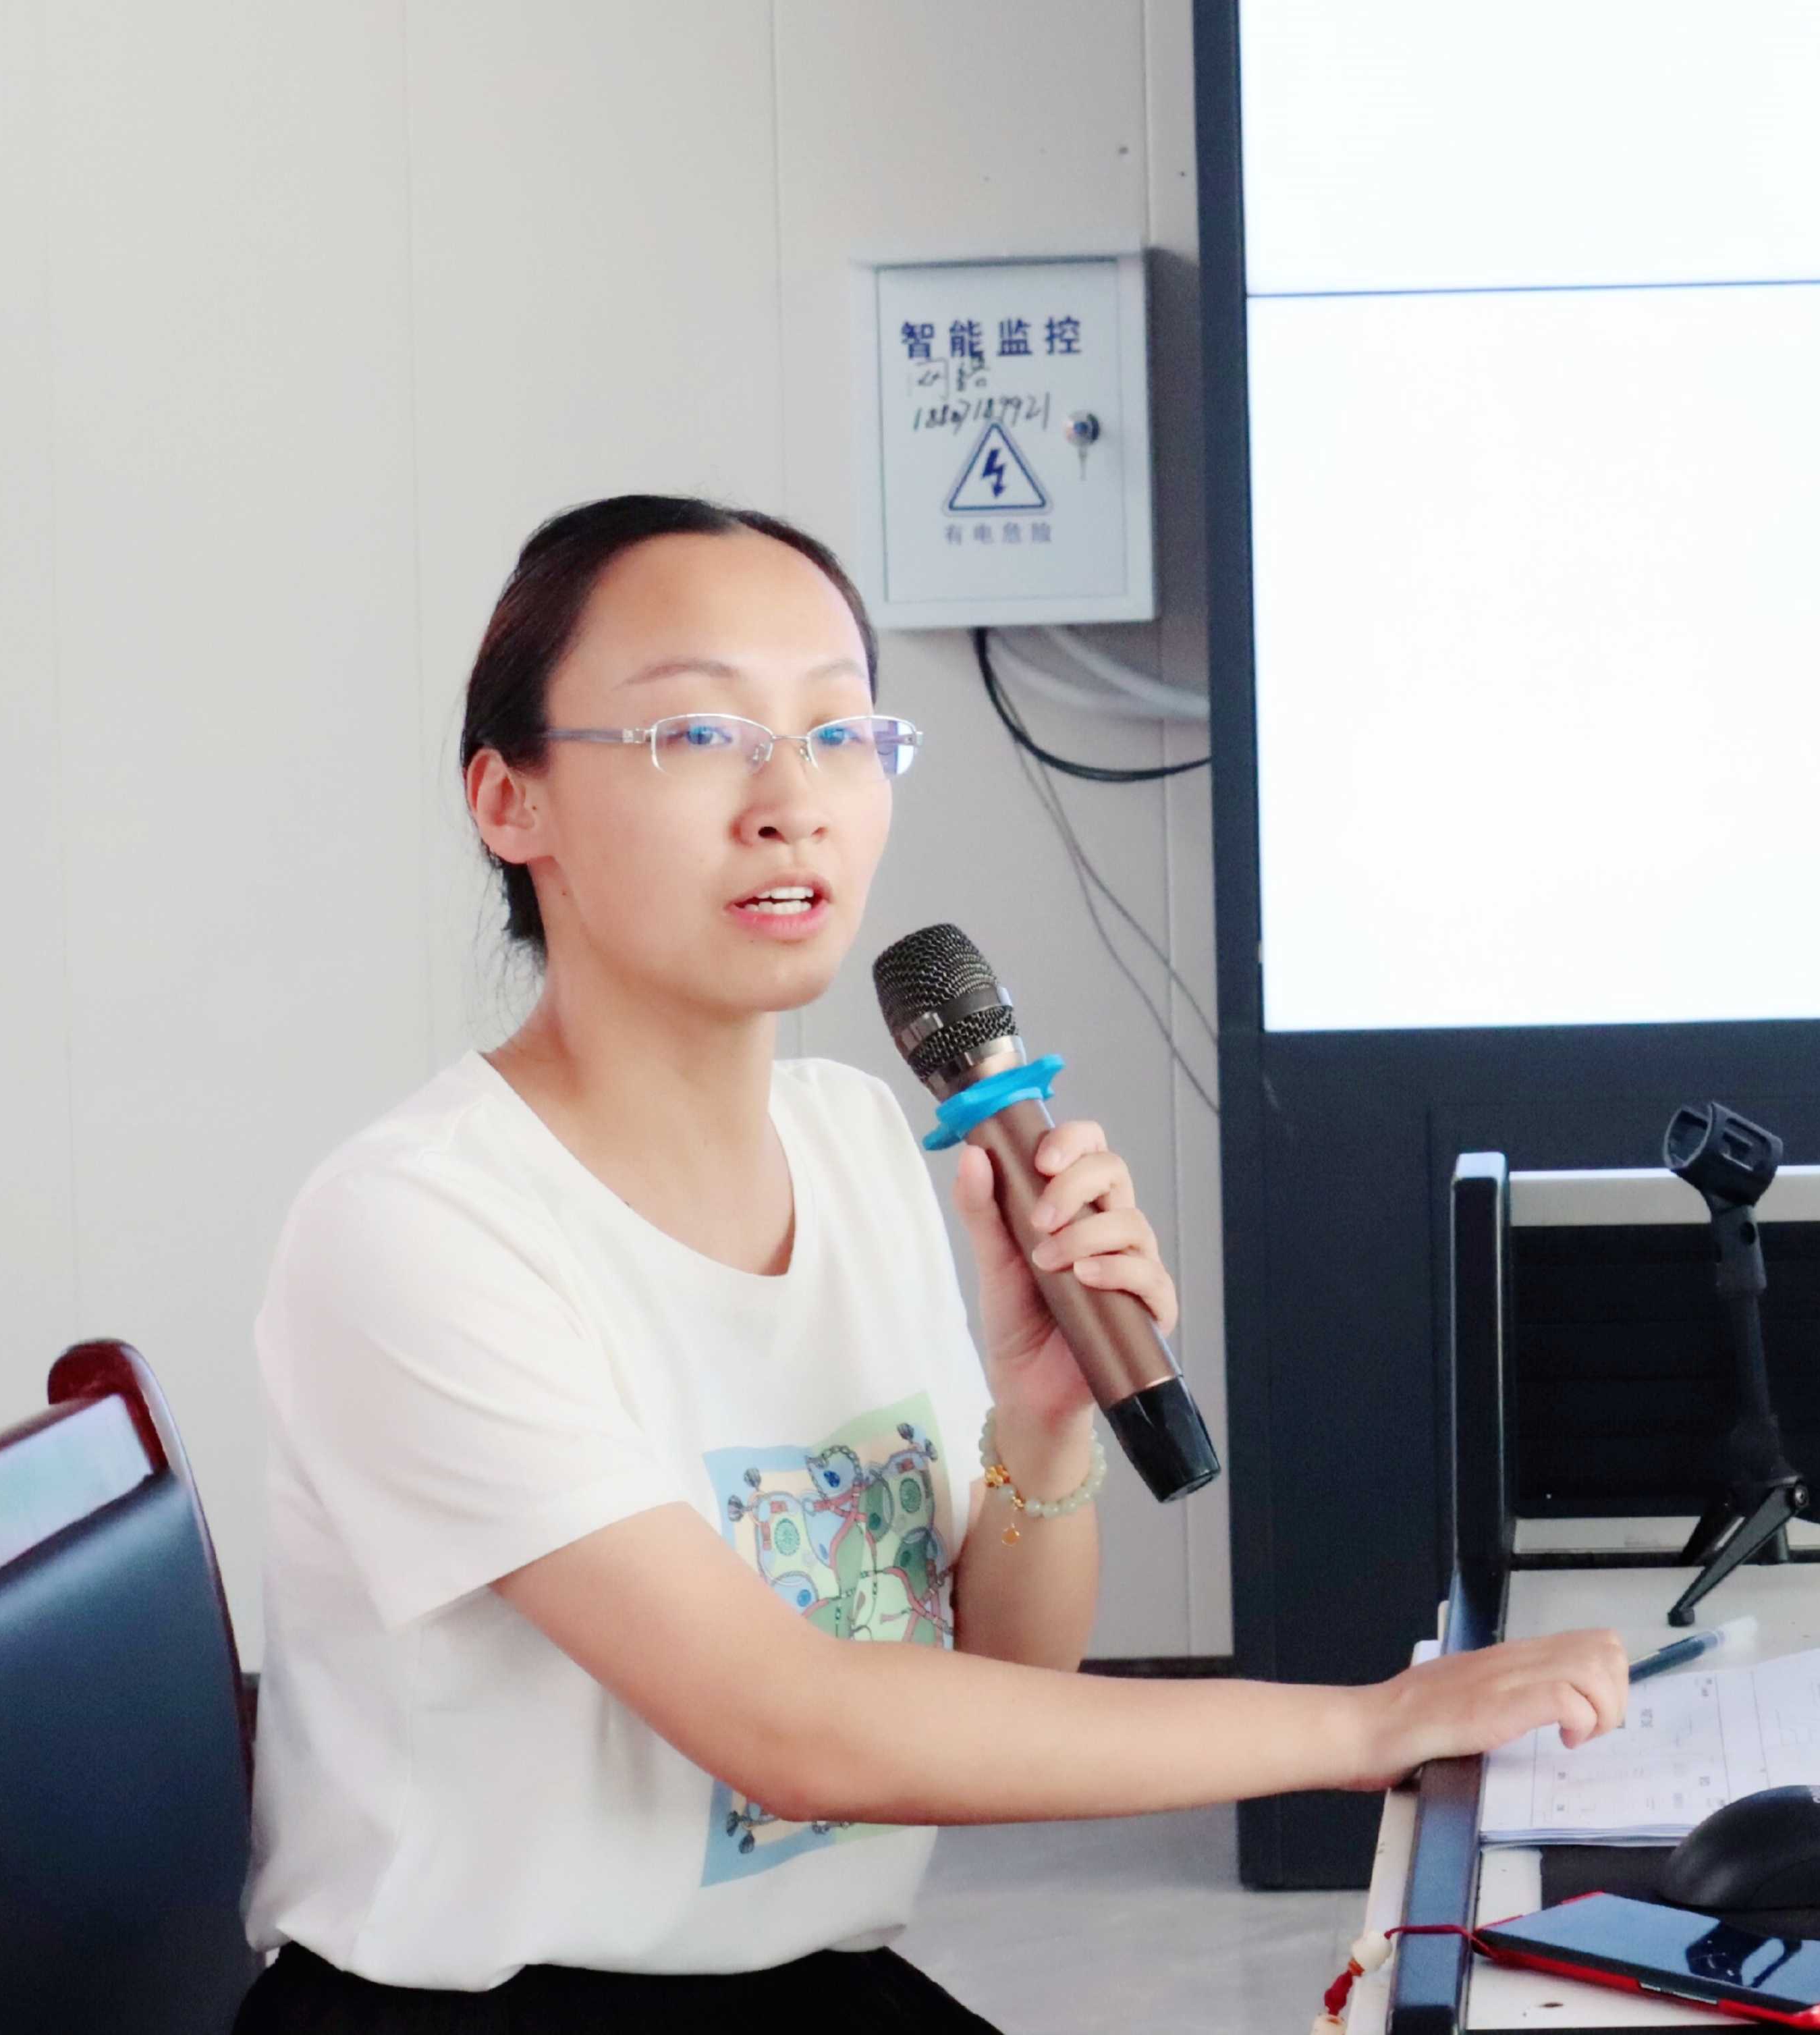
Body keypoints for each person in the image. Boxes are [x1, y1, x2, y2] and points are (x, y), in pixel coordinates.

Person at [231, 495, 1629, 2033]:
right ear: (513, 801)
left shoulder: (848, 1138)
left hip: (807, 1984)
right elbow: (796, 1730)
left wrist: (1039, 1415)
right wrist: (1371, 1724)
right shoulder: (421, 1225)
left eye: (840, 733)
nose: (792, 801)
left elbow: (1001, 1674)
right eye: (700, 734)